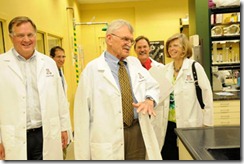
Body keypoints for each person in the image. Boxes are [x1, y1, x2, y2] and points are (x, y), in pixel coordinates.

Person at [74, 19, 162, 160]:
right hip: (107, 137)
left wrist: (149, 100)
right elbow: (81, 117)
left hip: (136, 131)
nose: (129, 44)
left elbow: (153, 86)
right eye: (125, 39)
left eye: (131, 40)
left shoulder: (134, 64)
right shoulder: (92, 70)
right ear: (109, 39)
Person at [0, 16, 72, 160]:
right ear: (11, 37)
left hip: (45, 133)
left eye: (30, 35)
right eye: (20, 35)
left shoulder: (49, 63)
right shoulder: (2, 64)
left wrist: (65, 128)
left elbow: (60, 99)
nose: (26, 40)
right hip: (14, 136)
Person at [160, 33, 213, 160]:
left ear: (184, 48)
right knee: (169, 156)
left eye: (175, 45)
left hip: (190, 123)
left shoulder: (194, 67)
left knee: (188, 156)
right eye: (170, 46)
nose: (171, 49)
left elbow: (207, 94)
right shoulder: (165, 70)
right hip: (168, 124)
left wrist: (207, 123)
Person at [50, 46, 71, 160]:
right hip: (53, 118)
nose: (62, 59)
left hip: (61, 118)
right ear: (51, 58)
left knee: (63, 148)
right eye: (58, 57)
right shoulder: (50, 73)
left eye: (63, 57)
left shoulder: (60, 72)